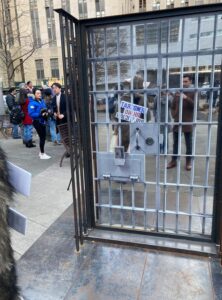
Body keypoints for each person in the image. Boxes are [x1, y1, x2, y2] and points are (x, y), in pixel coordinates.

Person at [167, 74, 194, 171]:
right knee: (176, 143)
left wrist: (186, 98)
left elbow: (196, 106)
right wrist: (174, 114)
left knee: (188, 143)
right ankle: (173, 161)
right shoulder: (178, 92)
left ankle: (188, 162)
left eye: (186, 81)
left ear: (190, 82)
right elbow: (172, 106)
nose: (184, 83)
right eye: (183, 81)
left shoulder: (193, 92)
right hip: (177, 121)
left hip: (188, 122)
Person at [28, 89, 51, 159]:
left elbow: (45, 109)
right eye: (37, 93)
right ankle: (42, 153)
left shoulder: (42, 101)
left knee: (43, 137)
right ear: (34, 94)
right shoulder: (32, 103)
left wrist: (47, 112)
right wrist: (40, 114)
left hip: (43, 121)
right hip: (37, 122)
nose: (39, 94)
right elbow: (31, 114)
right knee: (42, 137)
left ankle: (41, 152)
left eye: (40, 93)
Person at [154, 86, 173, 154]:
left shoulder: (170, 97)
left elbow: (171, 106)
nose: (164, 92)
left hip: (166, 118)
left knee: (165, 135)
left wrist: (167, 98)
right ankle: (159, 149)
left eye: (165, 90)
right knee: (159, 135)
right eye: (163, 90)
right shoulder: (157, 97)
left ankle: (165, 149)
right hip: (159, 118)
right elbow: (154, 107)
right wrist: (155, 116)